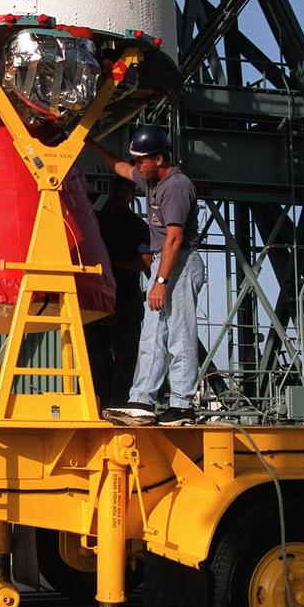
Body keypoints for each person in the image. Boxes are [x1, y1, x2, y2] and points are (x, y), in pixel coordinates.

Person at [88, 126, 204, 426]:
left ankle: (182, 405)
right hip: (165, 265)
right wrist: (90, 144)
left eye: (142, 160)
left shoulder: (176, 187)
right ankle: (142, 400)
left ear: (159, 158)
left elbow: (174, 239)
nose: (137, 165)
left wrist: (161, 283)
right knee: (152, 336)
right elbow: (121, 167)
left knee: (179, 335)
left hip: (179, 263)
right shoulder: (151, 179)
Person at [84, 176, 151, 408]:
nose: (121, 194)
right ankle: (101, 403)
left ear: (132, 197)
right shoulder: (96, 221)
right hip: (98, 298)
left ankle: (119, 403)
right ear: (111, 191)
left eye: (126, 191)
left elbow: (146, 261)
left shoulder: (137, 227)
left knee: (125, 352)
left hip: (124, 298)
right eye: (118, 190)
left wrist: (113, 264)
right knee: (96, 353)